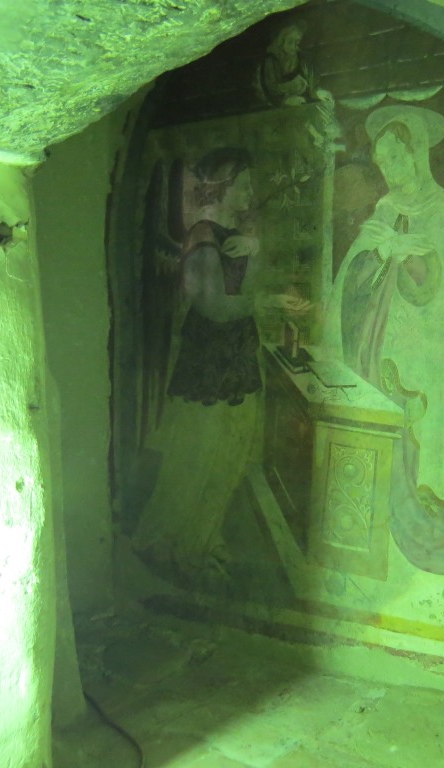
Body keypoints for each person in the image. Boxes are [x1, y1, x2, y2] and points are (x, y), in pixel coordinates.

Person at [324, 106, 444, 600]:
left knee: (419, 442)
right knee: (384, 436)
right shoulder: (384, 210)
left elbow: (437, 292)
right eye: (382, 161)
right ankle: (382, 528)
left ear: (417, 153)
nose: (389, 169)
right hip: (379, 348)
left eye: (396, 157)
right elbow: (354, 282)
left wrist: (412, 257)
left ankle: (428, 522)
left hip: (426, 356)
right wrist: (378, 254)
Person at [133, 147, 307, 583]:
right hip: (208, 365)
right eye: (243, 185)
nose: (250, 192)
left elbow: (244, 290)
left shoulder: (235, 235)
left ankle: (203, 538)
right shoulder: (202, 237)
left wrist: (255, 251)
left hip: (237, 357)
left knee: (232, 454)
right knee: (198, 456)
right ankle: (176, 543)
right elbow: (213, 307)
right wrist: (266, 298)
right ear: (222, 189)